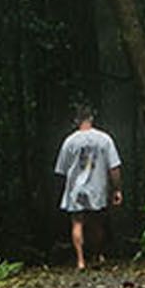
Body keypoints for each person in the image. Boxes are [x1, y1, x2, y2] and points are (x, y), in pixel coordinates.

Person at [53, 105, 122, 271]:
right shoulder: (105, 139)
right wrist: (117, 188)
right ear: (91, 119)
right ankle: (97, 254)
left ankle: (80, 260)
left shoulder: (69, 141)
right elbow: (114, 167)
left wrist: (64, 189)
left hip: (76, 189)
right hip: (96, 188)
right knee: (97, 223)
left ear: (76, 121)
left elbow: (61, 170)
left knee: (77, 222)